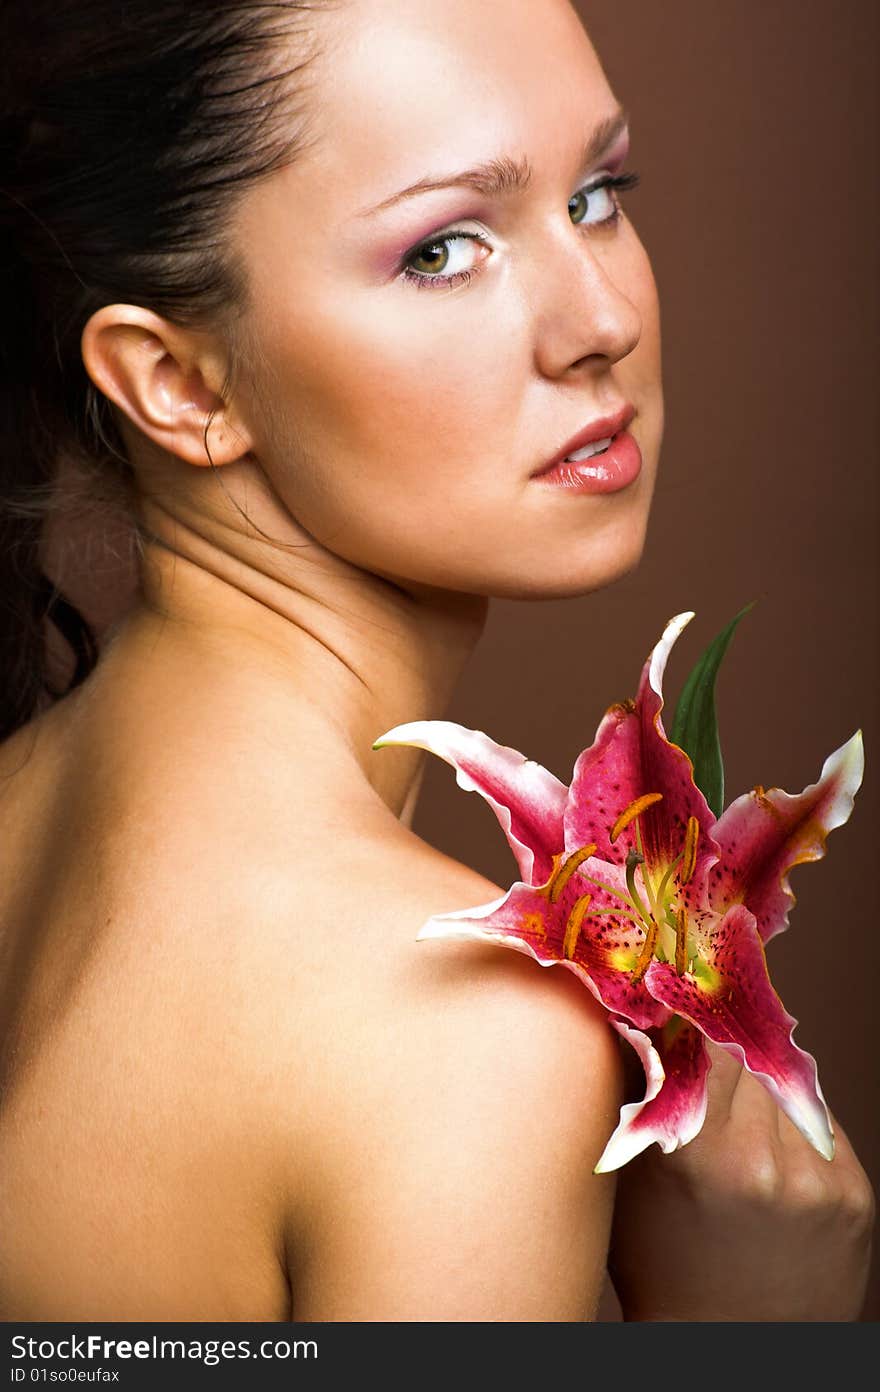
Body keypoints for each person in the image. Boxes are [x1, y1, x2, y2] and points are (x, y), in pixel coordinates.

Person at [0, 0, 872, 1322]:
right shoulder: (463, 1045)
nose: (599, 321)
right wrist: (763, 1336)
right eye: (442, 249)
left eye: (598, 192)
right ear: (178, 383)